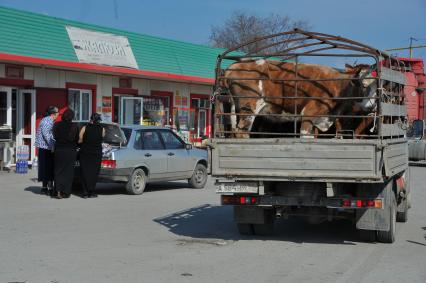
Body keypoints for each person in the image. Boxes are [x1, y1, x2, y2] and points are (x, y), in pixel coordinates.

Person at [52, 109, 79, 199]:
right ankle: (66, 192)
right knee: (68, 171)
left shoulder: (57, 124)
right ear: (72, 117)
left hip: (59, 149)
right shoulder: (74, 126)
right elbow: (76, 138)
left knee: (58, 170)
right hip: (70, 150)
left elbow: (55, 136)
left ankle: (58, 191)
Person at [78, 113, 105, 198]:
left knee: (84, 172)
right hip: (96, 153)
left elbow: (80, 140)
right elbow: (102, 138)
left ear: (91, 120)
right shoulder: (102, 129)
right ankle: (91, 192)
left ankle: (85, 192)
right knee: (94, 173)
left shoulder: (84, 128)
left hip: (85, 152)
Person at [34, 106, 59, 196]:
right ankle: (46, 188)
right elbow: (46, 135)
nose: (58, 114)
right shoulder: (48, 120)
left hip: (46, 148)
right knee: (47, 168)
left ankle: (47, 187)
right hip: (46, 148)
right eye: (57, 112)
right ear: (53, 114)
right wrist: (52, 146)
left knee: (47, 168)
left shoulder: (48, 120)